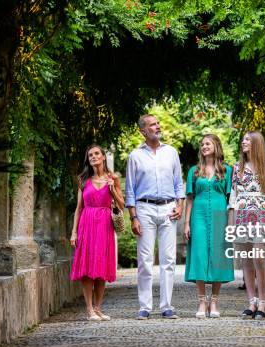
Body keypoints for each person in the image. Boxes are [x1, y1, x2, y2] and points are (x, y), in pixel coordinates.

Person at [125, 114, 185, 320]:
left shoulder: (171, 152)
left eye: (158, 123)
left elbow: (179, 183)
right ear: (143, 131)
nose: (157, 127)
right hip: (145, 209)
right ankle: (145, 306)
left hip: (169, 208)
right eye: (152, 125)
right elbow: (130, 189)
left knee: (168, 260)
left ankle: (167, 306)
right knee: (145, 260)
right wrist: (133, 217)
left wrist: (180, 205)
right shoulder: (135, 156)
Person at [228, 131, 265, 319]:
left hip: (262, 213)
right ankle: (251, 302)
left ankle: (263, 302)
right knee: (246, 259)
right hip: (242, 213)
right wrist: (231, 223)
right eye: (243, 139)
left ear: (256, 143)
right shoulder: (237, 167)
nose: (243, 142)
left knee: (259, 256)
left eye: (247, 140)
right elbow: (233, 196)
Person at [70, 144, 124, 321]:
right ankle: (89, 309)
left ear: (103, 157)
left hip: (105, 224)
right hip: (87, 223)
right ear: (88, 159)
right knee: (87, 267)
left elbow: (122, 205)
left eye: (96, 154)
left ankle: (98, 308)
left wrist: (111, 189)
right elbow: (78, 208)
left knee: (101, 265)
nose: (93, 157)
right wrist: (74, 232)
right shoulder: (83, 180)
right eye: (90, 155)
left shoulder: (113, 178)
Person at [184, 134, 234, 319]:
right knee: (199, 255)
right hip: (198, 216)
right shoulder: (194, 171)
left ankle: (214, 302)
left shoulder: (227, 171)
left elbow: (232, 200)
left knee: (217, 256)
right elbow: (190, 199)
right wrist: (187, 223)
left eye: (208, 143)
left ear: (216, 146)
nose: (204, 146)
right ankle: (201, 301)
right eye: (202, 144)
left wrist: (230, 223)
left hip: (220, 215)